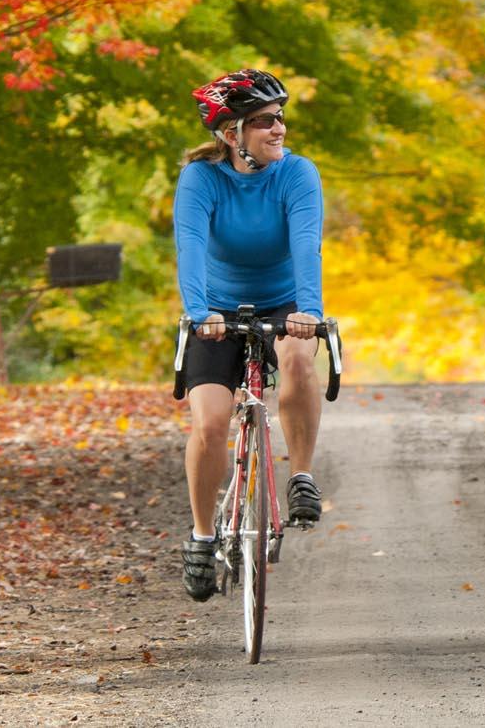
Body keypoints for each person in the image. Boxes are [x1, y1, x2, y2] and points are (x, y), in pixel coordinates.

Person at [174, 68, 327, 602]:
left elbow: (307, 243)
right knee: (211, 423)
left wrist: (308, 310)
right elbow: (190, 244)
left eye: (280, 117)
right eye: (263, 121)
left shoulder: (297, 174)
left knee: (301, 362)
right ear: (230, 133)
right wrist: (198, 312)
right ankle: (200, 534)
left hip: (286, 301)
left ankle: (302, 475)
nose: (278, 128)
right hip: (216, 307)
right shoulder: (200, 179)